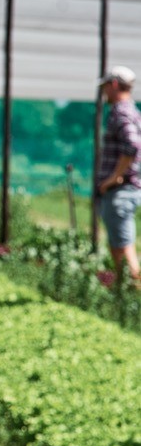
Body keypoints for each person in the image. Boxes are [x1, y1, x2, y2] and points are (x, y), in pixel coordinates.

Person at [96, 65, 141, 286]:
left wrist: (114, 178)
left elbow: (132, 145)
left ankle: (132, 294)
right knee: (122, 243)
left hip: (120, 190)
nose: (104, 92)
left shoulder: (121, 112)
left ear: (114, 85)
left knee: (123, 246)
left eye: (105, 86)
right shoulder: (132, 111)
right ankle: (125, 292)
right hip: (126, 188)